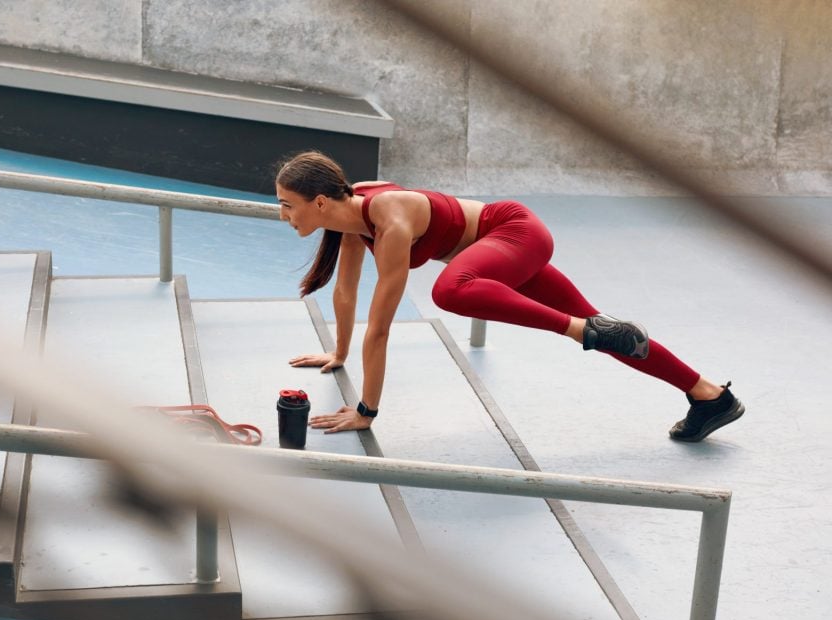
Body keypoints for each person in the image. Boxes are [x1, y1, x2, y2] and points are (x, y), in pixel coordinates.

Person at [276, 151, 744, 442]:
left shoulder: (390, 222)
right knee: (611, 336)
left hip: (513, 232)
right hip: (496, 251)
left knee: (449, 290)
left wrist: (366, 412)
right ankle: (710, 397)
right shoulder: (351, 217)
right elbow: (345, 291)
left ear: (318, 202)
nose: (283, 216)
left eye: (286, 205)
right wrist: (337, 353)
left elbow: (379, 329)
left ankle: (582, 330)